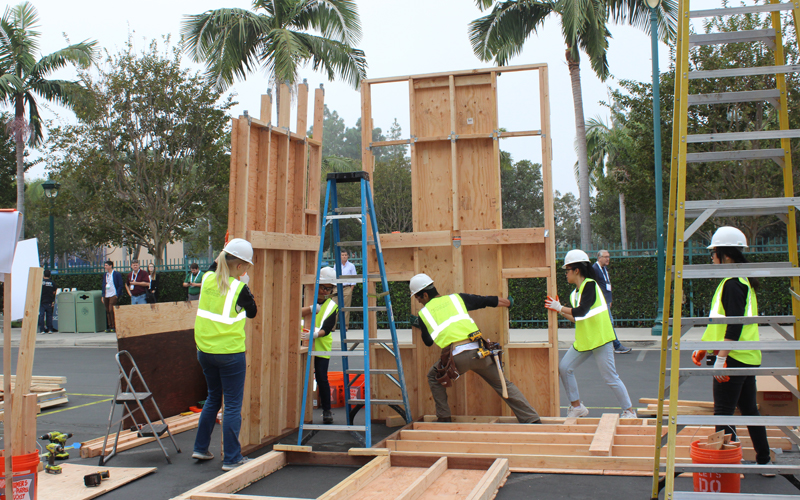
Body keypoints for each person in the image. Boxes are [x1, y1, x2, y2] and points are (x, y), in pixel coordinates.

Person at [692, 226, 772, 474]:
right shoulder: (741, 281)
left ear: (724, 254)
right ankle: (764, 461)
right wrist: (707, 348)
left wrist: (720, 359)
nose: (711, 257)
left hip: (733, 359)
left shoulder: (732, 284)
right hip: (746, 358)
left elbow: (734, 327)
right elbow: (724, 324)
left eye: (713, 252)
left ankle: (729, 465)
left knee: (724, 413)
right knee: (749, 410)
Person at [409, 273, 541, 423]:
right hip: (481, 352)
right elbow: (484, 301)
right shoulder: (456, 299)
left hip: (457, 359)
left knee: (433, 376)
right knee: (503, 384)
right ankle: (532, 419)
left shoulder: (424, 314)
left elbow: (428, 342)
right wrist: (508, 303)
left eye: (418, 298)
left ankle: (444, 418)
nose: (419, 302)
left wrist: (421, 325)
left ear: (425, 295)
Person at [545, 249, 636, 419]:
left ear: (576, 270)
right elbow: (577, 318)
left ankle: (629, 411)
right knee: (564, 368)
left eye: (567, 270)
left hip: (601, 339)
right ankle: (577, 407)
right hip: (585, 341)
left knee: (610, 377)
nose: (566, 274)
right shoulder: (574, 294)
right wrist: (558, 310)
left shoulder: (590, 285)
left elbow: (581, 311)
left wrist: (559, 307)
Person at [192, 238, 258, 471]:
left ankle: (200, 448)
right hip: (230, 354)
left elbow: (216, 264)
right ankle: (231, 458)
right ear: (240, 267)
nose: (247, 270)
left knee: (212, 398)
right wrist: (245, 285)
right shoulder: (240, 288)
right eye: (247, 267)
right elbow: (252, 313)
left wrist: (227, 250)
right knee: (231, 405)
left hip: (205, 352)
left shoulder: (208, 278)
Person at [300, 267, 338, 425]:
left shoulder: (331, 306)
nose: (326, 291)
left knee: (322, 377)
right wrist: (309, 309)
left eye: (329, 289)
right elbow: (291, 313)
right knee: (301, 377)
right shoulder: (307, 298)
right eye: (324, 287)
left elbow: (327, 328)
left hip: (321, 345)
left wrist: (315, 335)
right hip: (303, 343)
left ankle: (327, 411)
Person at [593, 250, 632, 354]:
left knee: (603, 324)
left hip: (605, 301)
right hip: (600, 302)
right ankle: (617, 346)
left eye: (608, 257)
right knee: (609, 323)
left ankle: (596, 346)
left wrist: (609, 299)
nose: (607, 259)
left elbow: (607, 284)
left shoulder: (604, 269)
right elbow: (593, 286)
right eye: (605, 257)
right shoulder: (595, 269)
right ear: (599, 258)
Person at [102, 261, 123, 333]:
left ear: (110, 266)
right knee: (107, 310)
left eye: (106, 265)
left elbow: (120, 285)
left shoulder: (116, 274)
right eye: (105, 265)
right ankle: (109, 325)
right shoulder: (105, 274)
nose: (105, 266)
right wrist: (103, 295)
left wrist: (117, 294)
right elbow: (103, 285)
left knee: (111, 309)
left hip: (113, 294)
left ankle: (114, 325)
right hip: (106, 294)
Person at [339, 250, 357, 328]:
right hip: (338, 287)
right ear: (340, 256)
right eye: (342, 255)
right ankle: (332, 327)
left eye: (345, 255)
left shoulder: (351, 266)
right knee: (334, 306)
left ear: (348, 256)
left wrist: (351, 289)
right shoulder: (337, 265)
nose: (344, 256)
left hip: (347, 287)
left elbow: (354, 278)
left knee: (346, 307)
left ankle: (345, 326)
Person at [38, 269, 57, 334]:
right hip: (49, 301)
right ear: (49, 275)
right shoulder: (52, 283)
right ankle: (50, 329)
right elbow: (54, 292)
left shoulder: (40, 282)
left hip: (41, 301)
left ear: (43, 275)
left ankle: (42, 329)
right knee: (49, 316)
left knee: (41, 315)